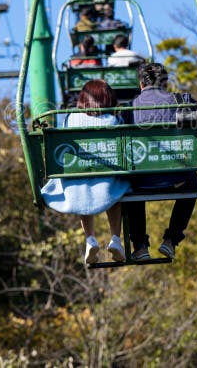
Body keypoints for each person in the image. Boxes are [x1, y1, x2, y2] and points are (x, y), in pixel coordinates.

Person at [40, 80, 129, 264]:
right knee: (117, 186)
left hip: (76, 183)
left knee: (80, 183)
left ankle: (90, 238)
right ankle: (115, 238)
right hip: (107, 183)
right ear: (107, 98)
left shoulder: (70, 118)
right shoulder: (113, 120)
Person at [126, 62, 197, 261]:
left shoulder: (129, 109)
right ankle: (171, 240)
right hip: (178, 179)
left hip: (141, 183)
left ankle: (140, 245)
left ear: (141, 84)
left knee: (130, 183)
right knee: (192, 182)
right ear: (165, 83)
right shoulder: (181, 100)